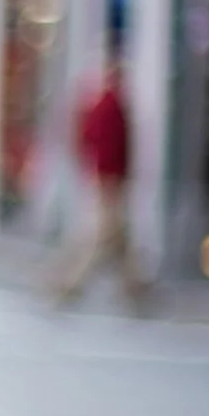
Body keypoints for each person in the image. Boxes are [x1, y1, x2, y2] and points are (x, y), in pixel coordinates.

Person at [51, 58, 147, 306]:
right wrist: (109, 175)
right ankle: (70, 281)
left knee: (117, 234)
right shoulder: (110, 105)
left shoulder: (105, 104)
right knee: (103, 234)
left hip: (108, 176)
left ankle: (134, 286)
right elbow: (108, 146)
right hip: (109, 177)